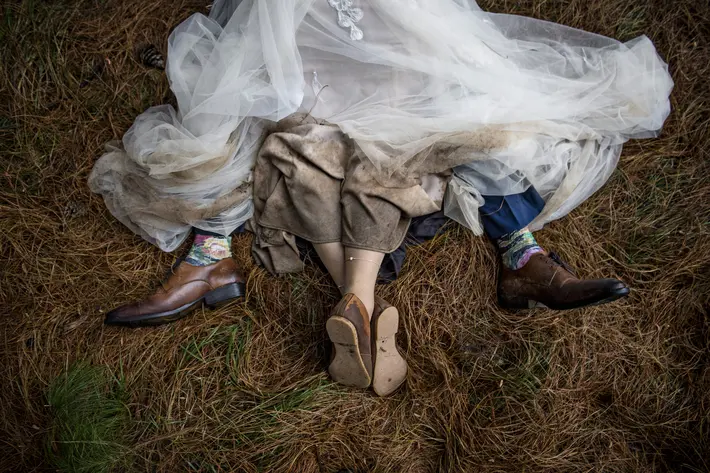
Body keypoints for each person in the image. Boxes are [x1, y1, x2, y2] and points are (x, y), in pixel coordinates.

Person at [92, 0, 673, 396]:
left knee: (412, 124)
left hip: (383, 47)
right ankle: (491, 267)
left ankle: (221, 267)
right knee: (291, 132)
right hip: (310, 51)